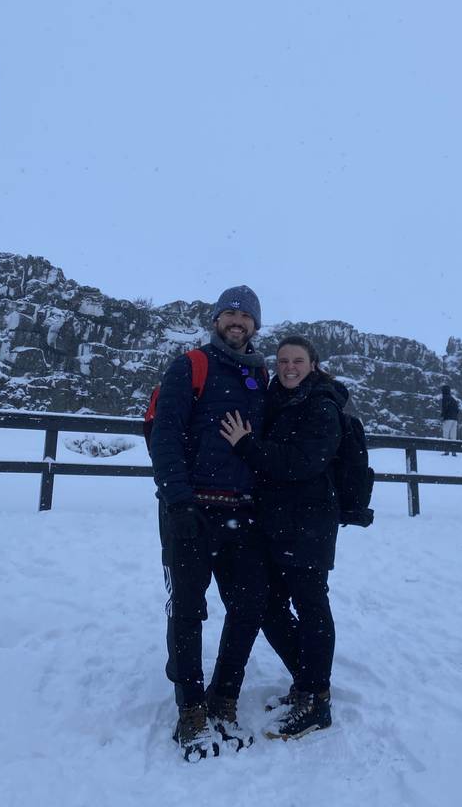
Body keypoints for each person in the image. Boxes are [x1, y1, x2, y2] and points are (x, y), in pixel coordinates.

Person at [150, 285, 270, 759]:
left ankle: (224, 696)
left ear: (255, 325)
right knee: (187, 609)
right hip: (192, 512)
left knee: (249, 606)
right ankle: (191, 708)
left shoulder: (261, 375)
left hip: (241, 513)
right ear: (216, 320)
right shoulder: (191, 365)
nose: (237, 321)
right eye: (230, 314)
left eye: (246, 316)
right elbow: (165, 436)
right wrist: (179, 503)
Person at [220, 335, 346, 740]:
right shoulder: (277, 398)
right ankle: (305, 682)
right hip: (276, 522)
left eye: (297, 361)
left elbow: (301, 463)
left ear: (313, 364)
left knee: (311, 607)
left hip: (310, 523)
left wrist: (247, 446)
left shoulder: (322, 404)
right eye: (283, 361)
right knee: (272, 606)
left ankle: (317, 700)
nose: (289, 367)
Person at [441, 384, 460, 456]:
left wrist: (443, 415)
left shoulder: (445, 398)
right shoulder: (453, 399)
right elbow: (457, 410)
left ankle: (446, 451)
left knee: (446, 435)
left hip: (448, 418)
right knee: (453, 436)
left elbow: (444, 408)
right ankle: (454, 452)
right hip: (455, 419)